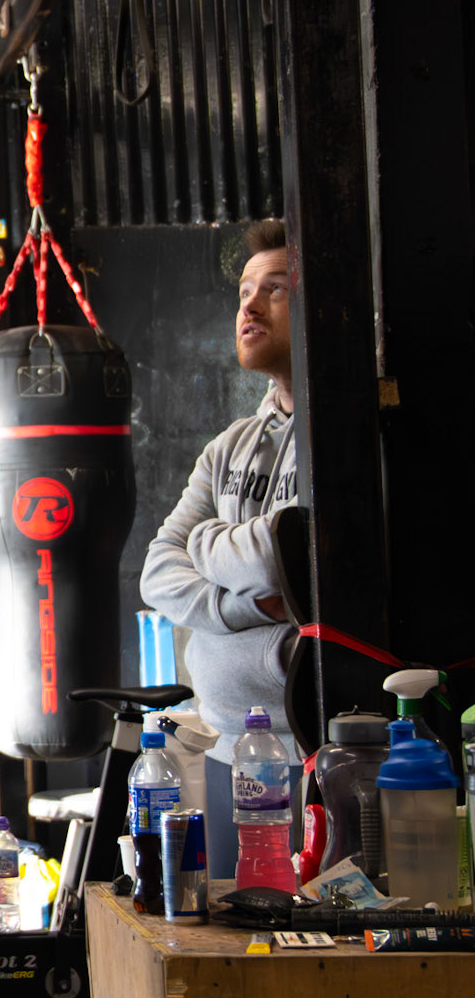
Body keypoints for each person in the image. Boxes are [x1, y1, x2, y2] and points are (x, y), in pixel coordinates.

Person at [139, 219, 297, 855]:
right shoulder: (227, 447)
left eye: (275, 289)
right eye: (243, 292)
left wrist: (204, 540)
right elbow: (158, 572)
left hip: (307, 755)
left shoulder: (341, 437)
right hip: (225, 748)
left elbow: (282, 552)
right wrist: (244, 606)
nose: (250, 307)